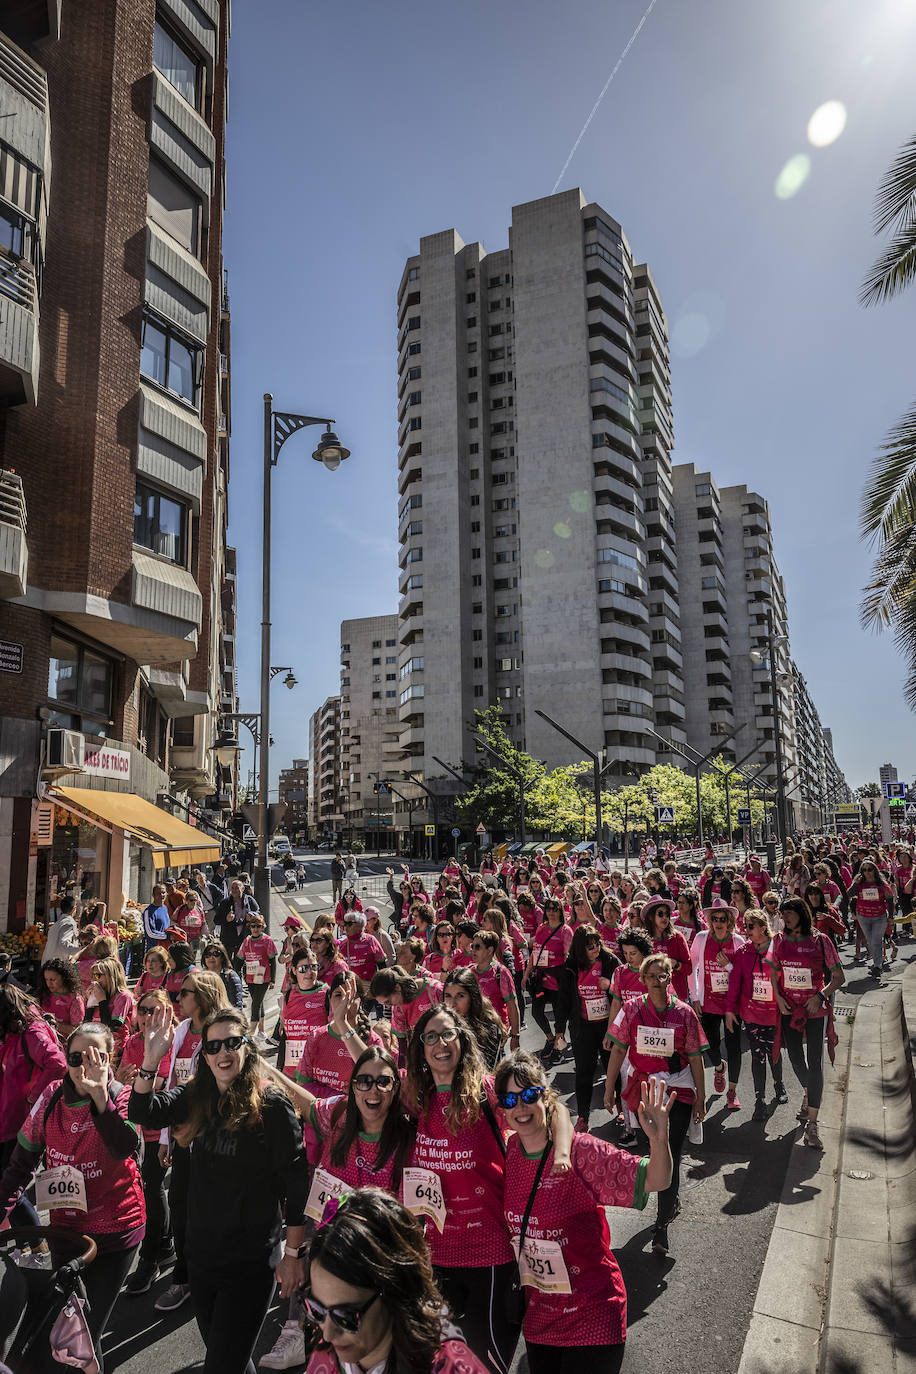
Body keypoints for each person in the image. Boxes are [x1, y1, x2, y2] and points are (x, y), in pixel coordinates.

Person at [129, 1004, 308, 1374]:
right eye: (213, 1046)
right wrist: (151, 1058)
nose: (223, 1053)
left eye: (232, 1043)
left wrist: (293, 1254)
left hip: (250, 1262)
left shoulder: (271, 1105)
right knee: (232, 1360)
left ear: (247, 1047)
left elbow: (295, 1181)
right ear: (204, 1055)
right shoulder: (197, 1095)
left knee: (222, 1365)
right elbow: (142, 1112)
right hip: (202, 1258)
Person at [501, 1052, 673, 1373]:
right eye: (510, 1098)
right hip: (540, 1320)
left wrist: (659, 1140)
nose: (520, 1106)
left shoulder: (582, 1151)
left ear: (546, 1095)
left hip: (592, 1313)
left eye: (528, 1094)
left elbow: (657, 1179)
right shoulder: (508, 1152)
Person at [0, 1022, 144, 1371]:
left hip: (115, 1232)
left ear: (109, 1059)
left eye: (95, 1056)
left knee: (85, 1335)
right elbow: (20, 1167)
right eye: (76, 1057)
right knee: (67, 1336)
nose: (84, 1065)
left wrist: (99, 1096)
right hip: (67, 1232)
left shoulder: (121, 1094)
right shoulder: (51, 1097)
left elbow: (124, 1145)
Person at [303, 1187, 490, 1374]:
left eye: (345, 1317)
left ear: (395, 1291)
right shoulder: (325, 1354)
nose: (327, 1334)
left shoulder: (453, 1369)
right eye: (316, 1310)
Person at [604, 954, 707, 1255]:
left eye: (661, 974)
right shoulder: (632, 1010)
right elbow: (618, 1051)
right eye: (650, 975)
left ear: (670, 977)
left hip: (680, 1089)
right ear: (643, 979)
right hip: (647, 1092)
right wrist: (610, 1086)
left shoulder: (686, 1014)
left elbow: (697, 1057)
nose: (656, 979)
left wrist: (701, 1095)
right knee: (656, 1151)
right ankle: (668, 1201)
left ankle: (661, 1225)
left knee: (671, 1149)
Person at [152, 968, 230, 1312]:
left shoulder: (221, 1033)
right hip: (183, 1138)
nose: (177, 997)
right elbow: (172, 1088)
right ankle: (182, 1277)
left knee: (213, 1211)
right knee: (181, 1209)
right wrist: (166, 1138)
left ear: (202, 996)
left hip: (214, 1142)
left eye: (184, 992)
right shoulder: (182, 1031)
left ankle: (216, 1274)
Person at [767, 898, 845, 1150]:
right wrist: (778, 999)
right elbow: (773, 973)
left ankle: (812, 1125)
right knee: (796, 1060)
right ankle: (808, 1092)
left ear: (801, 914)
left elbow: (838, 977)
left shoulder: (821, 940)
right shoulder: (778, 940)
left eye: (788, 914)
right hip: (789, 1009)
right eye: (782, 915)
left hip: (815, 1010)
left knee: (815, 1062)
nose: (784, 919)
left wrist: (820, 996)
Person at [117, 987, 175, 1294]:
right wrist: (134, 1078)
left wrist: (140, 1079)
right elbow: (125, 1080)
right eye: (143, 1010)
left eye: (155, 1010)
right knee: (149, 1189)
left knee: (153, 1190)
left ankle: (150, 1259)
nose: (148, 1016)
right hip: (137, 1129)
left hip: (164, 1132)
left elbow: (159, 1086)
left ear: (168, 1013)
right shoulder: (133, 1042)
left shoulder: (172, 1040)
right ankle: (165, 1246)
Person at [0, 984, 67, 1227]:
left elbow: (58, 1064)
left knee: (10, 1185)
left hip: (23, 1123)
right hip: (8, 1118)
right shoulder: (13, 1033)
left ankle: (35, 1243)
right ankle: (23, 1242)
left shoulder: (32, 1033)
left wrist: (34, 1098)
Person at [554, 924, 619, 1134]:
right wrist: (560, 1029)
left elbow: (625, 989)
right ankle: (583, 1117)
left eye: (597, 944)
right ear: (580, 948)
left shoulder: (610, 961)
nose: (595, 949)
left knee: (613, 1069)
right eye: (590, 946)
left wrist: (609, 986)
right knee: (584, 1072)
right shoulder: (571, 965)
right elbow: (562, 999)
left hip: (607, 1025)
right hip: (582, 1026)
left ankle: (622, 1112)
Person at [725, 907, 787, 1121]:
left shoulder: (778, 948)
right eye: (745, 926)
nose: (747, 929)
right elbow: (735, 982)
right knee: (757, 1056)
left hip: (774, 1014)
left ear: (763, 927)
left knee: (774, 1053)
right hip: (751, 1014)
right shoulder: (743, 952)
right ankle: (759, 1101)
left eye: (751, 926)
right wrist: (730, 1010)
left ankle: (779, 1084)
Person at [689, 901, 746, 1108]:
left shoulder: (738, 941)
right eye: (715, 919)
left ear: (729, 921)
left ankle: (732, 1092)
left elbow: (743, 975)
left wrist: (728, 966)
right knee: (710, 1047)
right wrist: (694, 996)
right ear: (709, 921)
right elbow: (691, 967)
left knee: (733, 1048)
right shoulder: (702, 938)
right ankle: (719, 1067)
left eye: (723, 919)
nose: (719, 923)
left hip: (732, 1005)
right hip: (708, 1002)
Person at [522, 896, 573, 1065]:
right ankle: (550, 1039)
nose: (551, 911)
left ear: (560, 911)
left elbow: (569, 957)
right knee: (537, 1012)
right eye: (548, 908)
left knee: (560, 1018)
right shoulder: (541, 929)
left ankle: (559, 1048)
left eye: (554, 908)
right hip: (540, 979)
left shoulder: (565, 931)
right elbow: (535, 954)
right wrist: (525, 975)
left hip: (558, 979)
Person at [442, 966, 507, 1069]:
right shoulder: (441, 1026)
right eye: (448, 996)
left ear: (472, 997)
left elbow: (489, 1073)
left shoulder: (489, 1029)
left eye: (460, 996)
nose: (452, 1004)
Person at [279, 947, 331, 1077]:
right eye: (303, 969)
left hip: (317, 1069)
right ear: (294, 971)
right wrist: (279, 1068)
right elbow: (285, 1035)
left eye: (314, 967)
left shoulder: (327, 994)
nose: (309, 973)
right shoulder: (288, 996)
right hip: (292, 1070)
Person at [848, 858, 896, 978]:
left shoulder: (882, 884)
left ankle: (877, 966)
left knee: (876, 941)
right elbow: (848, 894)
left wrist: (891, 917)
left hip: (879, 917)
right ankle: (876, 964)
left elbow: (890, 900)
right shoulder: (860, 883)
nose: (867, 872)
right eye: (864, 870)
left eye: (869, 869)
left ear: (874, 870)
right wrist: (855, 883)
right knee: (871, 941)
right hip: (863, 917)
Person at [238, 911, 278, 1043]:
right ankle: (261, 1031)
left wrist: (272, 979)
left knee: (255, 1004)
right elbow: (239, 958)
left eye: (258, 926)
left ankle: (251, 1033)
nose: (256, 929)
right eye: (253, 926)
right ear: (249, 927)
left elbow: (273, 961)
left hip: (263, 974)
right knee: (258, 1002)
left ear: (263, 927)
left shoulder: (267, 940)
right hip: (250, 976)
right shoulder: (247, 941)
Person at [39, 956, 86, 1039]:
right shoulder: (43, 994)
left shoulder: (75, 999)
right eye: (46, 979)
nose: (48, 983)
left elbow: (77, 1030)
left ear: (64, 977)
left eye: (52, 980)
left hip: (63, 1045)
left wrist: (55, 1025)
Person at [214, 879, 259, 962]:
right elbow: (216, 920)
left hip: (244, 938)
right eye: (232, 888)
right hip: (228, 939)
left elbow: (258, 913)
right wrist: (226, 919)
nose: (234, 890)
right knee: (227, 964)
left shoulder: (249, 900)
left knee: (240, 964)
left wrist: (251, 915)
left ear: (242, 889)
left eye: (236, 888)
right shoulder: (225, 902)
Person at [201, 939, 246, 1008]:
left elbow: (237, 1005)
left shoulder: (230, 976)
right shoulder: (200, 978)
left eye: (216, 954)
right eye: (208, 955)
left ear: (222, 957)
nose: (211, 957)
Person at [41, 894, 81, 963]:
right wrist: (80, 950)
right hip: (57, 965)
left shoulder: (57, 924)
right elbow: (63, 943)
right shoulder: (69, 923)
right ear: (74, 909)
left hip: (50, 963)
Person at [142, 885, 171, 953]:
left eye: (163, 893)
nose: (161, 895)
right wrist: (168, 936)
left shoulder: (165, 908)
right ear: (153, 895)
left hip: (165, 949)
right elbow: (150, 933)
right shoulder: (148, 911)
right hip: (154, 951)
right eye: (159, 893)